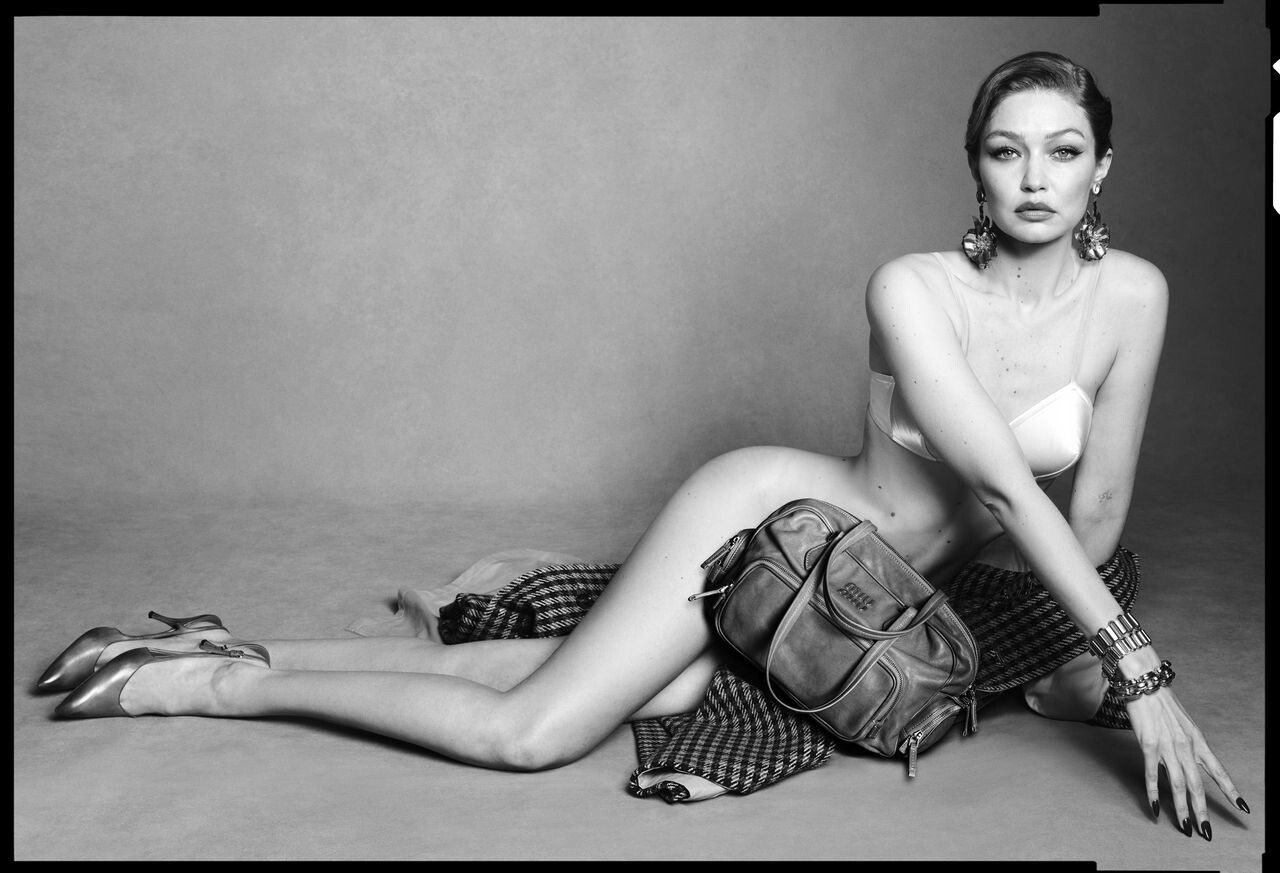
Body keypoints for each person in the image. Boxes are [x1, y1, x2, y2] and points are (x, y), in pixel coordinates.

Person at [36, 51, 1246, 839]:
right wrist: (1139, 675)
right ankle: (200, 684)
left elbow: (1091, 517)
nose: (1033, 179)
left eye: (1062, 151)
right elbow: (1003, 484)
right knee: (534, 736)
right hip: (767, 530)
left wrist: (1055, 664)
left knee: (647, 684)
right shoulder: (912, 287)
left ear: (1101, 168)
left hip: (868, 596)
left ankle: (225, 641)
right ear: (973, 168)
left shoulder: (1131, 297)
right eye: (1004, 150)